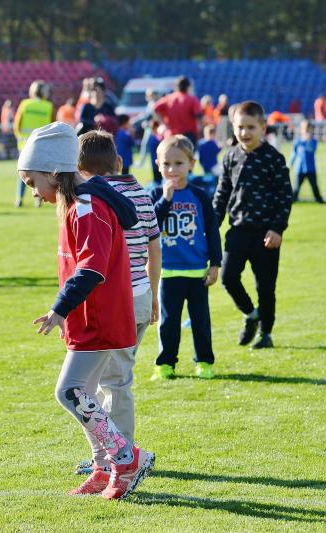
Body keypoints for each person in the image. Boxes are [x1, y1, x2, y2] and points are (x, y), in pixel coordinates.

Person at [17, 122, 153, 500]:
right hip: (87, 317)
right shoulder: (76, 203)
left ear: (53, 173)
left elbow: (92, 267)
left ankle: (126, 458)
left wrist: (60, 309)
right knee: (84, 391)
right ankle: (103, 467)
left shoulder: (89, 206)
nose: (32, 193)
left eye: (32, 183)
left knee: (70, 392)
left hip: (100, 318)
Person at [74, 130, 161, 478]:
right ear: (119, 162)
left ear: (80, 171)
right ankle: (115, 453)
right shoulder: (141, 193)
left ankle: (122, 455)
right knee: (112, 379)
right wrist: (154, 294)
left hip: (115, 302)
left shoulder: (95, 198)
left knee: (105, 383)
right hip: (141, 294)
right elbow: (154, 248)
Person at [213, 101, 293, 350]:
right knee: (228, 277)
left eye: (251, 127)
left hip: (266, 234)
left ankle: (265, 333)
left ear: (262, 127)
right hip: (237, 231)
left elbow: (284, 195)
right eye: (240, 127)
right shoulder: (230, 157)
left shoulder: (273, 158)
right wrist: (211, 226)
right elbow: (221, 195)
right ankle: (251, 314)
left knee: (265, 287)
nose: (245, 132)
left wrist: (277, 228)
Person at [149, 135, 222, 380]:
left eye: (178, 163)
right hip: (169, 272)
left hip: (197, 272)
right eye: (166, 164)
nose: (172, 169)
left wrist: (216, 264)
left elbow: (212, 231)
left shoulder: (200, 196)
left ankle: (204, 362)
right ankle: (165, 363)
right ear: (158, 164)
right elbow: (150, 227)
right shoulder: (155, 194)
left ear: (191, 163)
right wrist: (166, 199)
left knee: (201, 322)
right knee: (168, 323)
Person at [13, 80, 54, 207]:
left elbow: (17, 125)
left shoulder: (25, 104)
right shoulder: (48, 106)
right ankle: (39, 199)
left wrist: (20, 138)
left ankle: (19, 198)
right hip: (42, 145)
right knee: (41, 173)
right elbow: (53, 125)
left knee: (23, 172)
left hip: (24, 145)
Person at [153, 77, 201, 143]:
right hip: (188, 135)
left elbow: (155, 108)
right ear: (188, 87)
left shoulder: (168, 98)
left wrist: (163, 123)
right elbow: (199, 116)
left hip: (171, 134)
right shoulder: (192, 99)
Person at [290, 120, 323, 203]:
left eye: (309, 129)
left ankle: (319, 200)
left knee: (314, 186)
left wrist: (307, 141)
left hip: (311, 169)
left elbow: (312, 149)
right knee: (296, 187)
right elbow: (294, 154)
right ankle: (293, 199)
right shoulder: (298, 142)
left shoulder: (313, 141)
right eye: (305, 129)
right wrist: (290, 164)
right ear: (301, 130)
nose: (307, 132)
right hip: (300, 169)